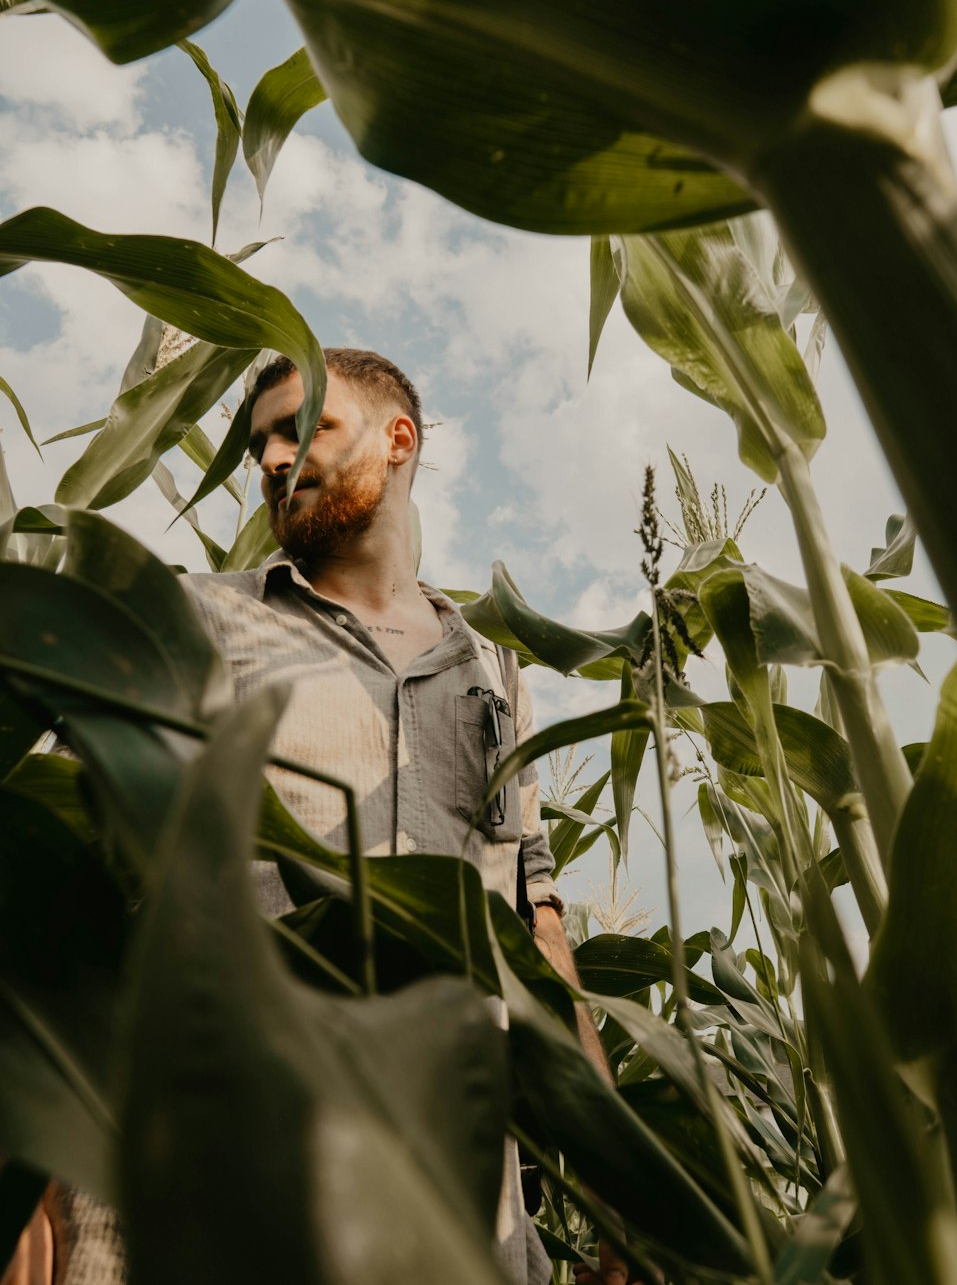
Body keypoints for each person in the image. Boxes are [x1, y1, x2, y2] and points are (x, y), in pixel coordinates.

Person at [180, 348, 637, 1285]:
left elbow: (536, 924)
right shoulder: (203, 621)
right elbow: (67, 857)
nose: (269, 457)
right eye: (259, 441)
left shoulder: (495, 673)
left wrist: (621, 1183)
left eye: (303, 426)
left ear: (398, 441)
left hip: (464, 1198)